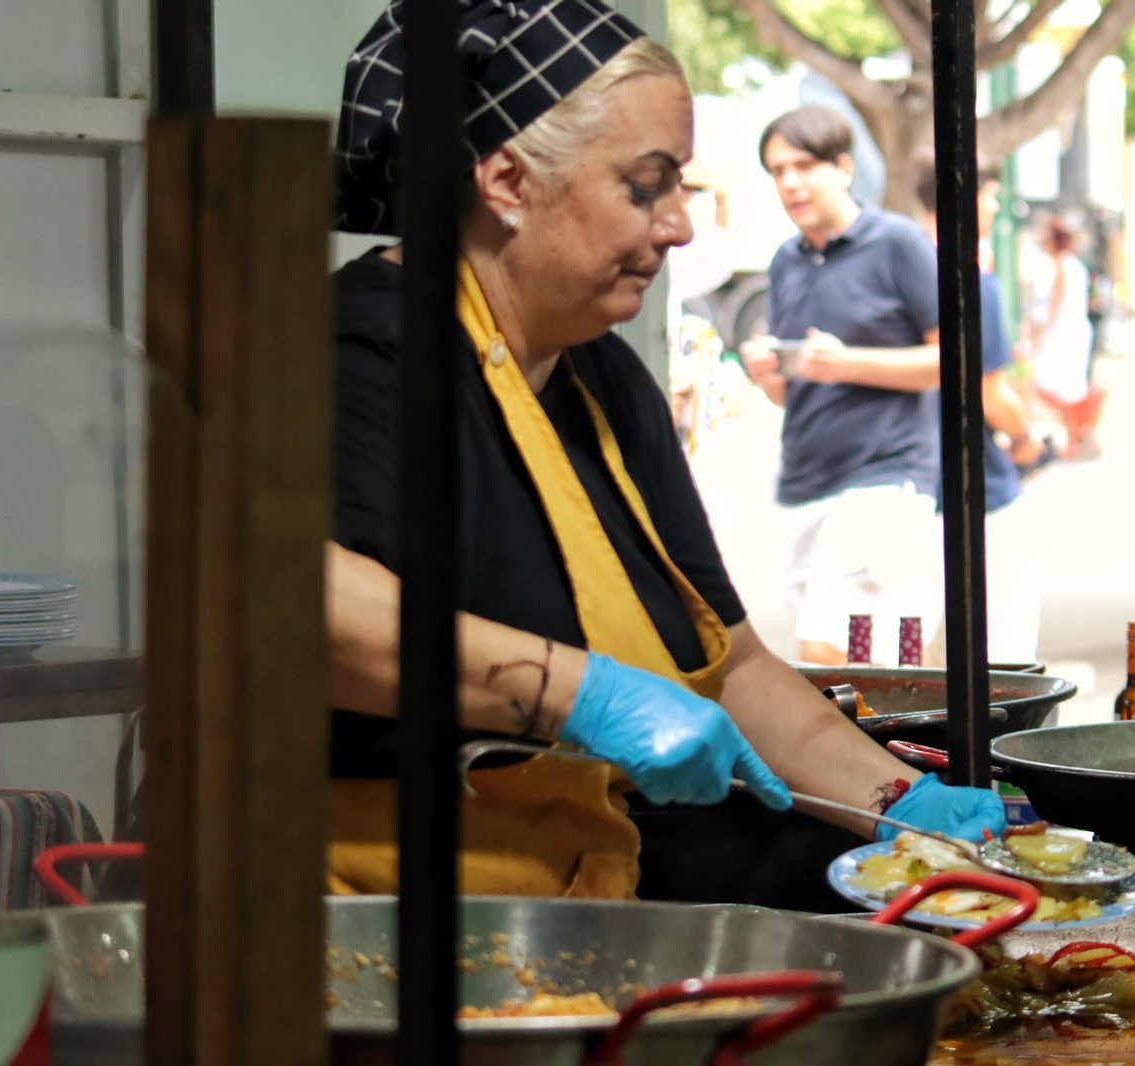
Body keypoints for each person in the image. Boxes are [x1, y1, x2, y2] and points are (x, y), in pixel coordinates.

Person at [324, 0, 1004, 904]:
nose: (680, 226)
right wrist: (587, 696)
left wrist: (906, 808)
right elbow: (302, 609)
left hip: (574, 893)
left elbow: (736, 668)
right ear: (507, 182)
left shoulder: (602, 380)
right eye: (646, 187)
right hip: (376, 922)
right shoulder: (363, 352)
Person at [739, 106, 943, 667]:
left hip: (885, 481)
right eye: (777, 171)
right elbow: (794, 389)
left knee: (826, 654)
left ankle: (866, 754)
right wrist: (769, 376)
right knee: (875, 663)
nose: (790, 182)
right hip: (806, 486)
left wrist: (847, 362)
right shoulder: (786, 260)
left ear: (844, 168)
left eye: (803, 165)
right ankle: (910, 754)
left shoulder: (898, 242)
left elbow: (952, 362)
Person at [913, 153, 1041, 663]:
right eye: (990, 194)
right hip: (978, 489)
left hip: (905, 486)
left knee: (904, 662)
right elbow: (991, 398)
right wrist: (1028, 437)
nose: (995, 206)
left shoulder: (898, 272)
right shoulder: (972, 280)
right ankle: (1003, 744)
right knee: (1007, 656)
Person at [1022, 218, 1103, 457]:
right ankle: (1080, 434)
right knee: (1067, 387)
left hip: (1062, 333)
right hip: (1072, 331)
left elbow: (1055, 305)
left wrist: (1040, 336)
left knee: (1057, 386)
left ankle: (1077, 436)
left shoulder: (1062, 267)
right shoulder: (1075, 265)